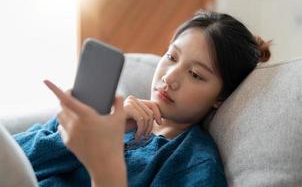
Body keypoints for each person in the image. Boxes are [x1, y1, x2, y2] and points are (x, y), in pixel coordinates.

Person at [14, 10, 271, 187]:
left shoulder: (192, 162)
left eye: (195, 74)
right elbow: (11, 157)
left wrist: (104, 161)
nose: (169, 77)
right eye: (171, 57)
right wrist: (69, 136)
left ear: (221, 96)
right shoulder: (108, 111)